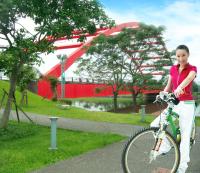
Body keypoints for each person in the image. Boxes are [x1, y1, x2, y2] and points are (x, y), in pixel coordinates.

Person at [150, 45, 197, 173]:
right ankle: (165, 146)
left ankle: (181, 168)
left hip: (187, 104)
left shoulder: (192, 68)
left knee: (185, 136)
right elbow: (169, 84)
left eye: (183, 55)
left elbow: (189, 78)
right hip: (175, 102)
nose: (181, 58)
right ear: (176, 56)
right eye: (178, 56)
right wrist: (162, 93)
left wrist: (180, 88)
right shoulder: (173, 69)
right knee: (154, 124)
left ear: (187, 55)